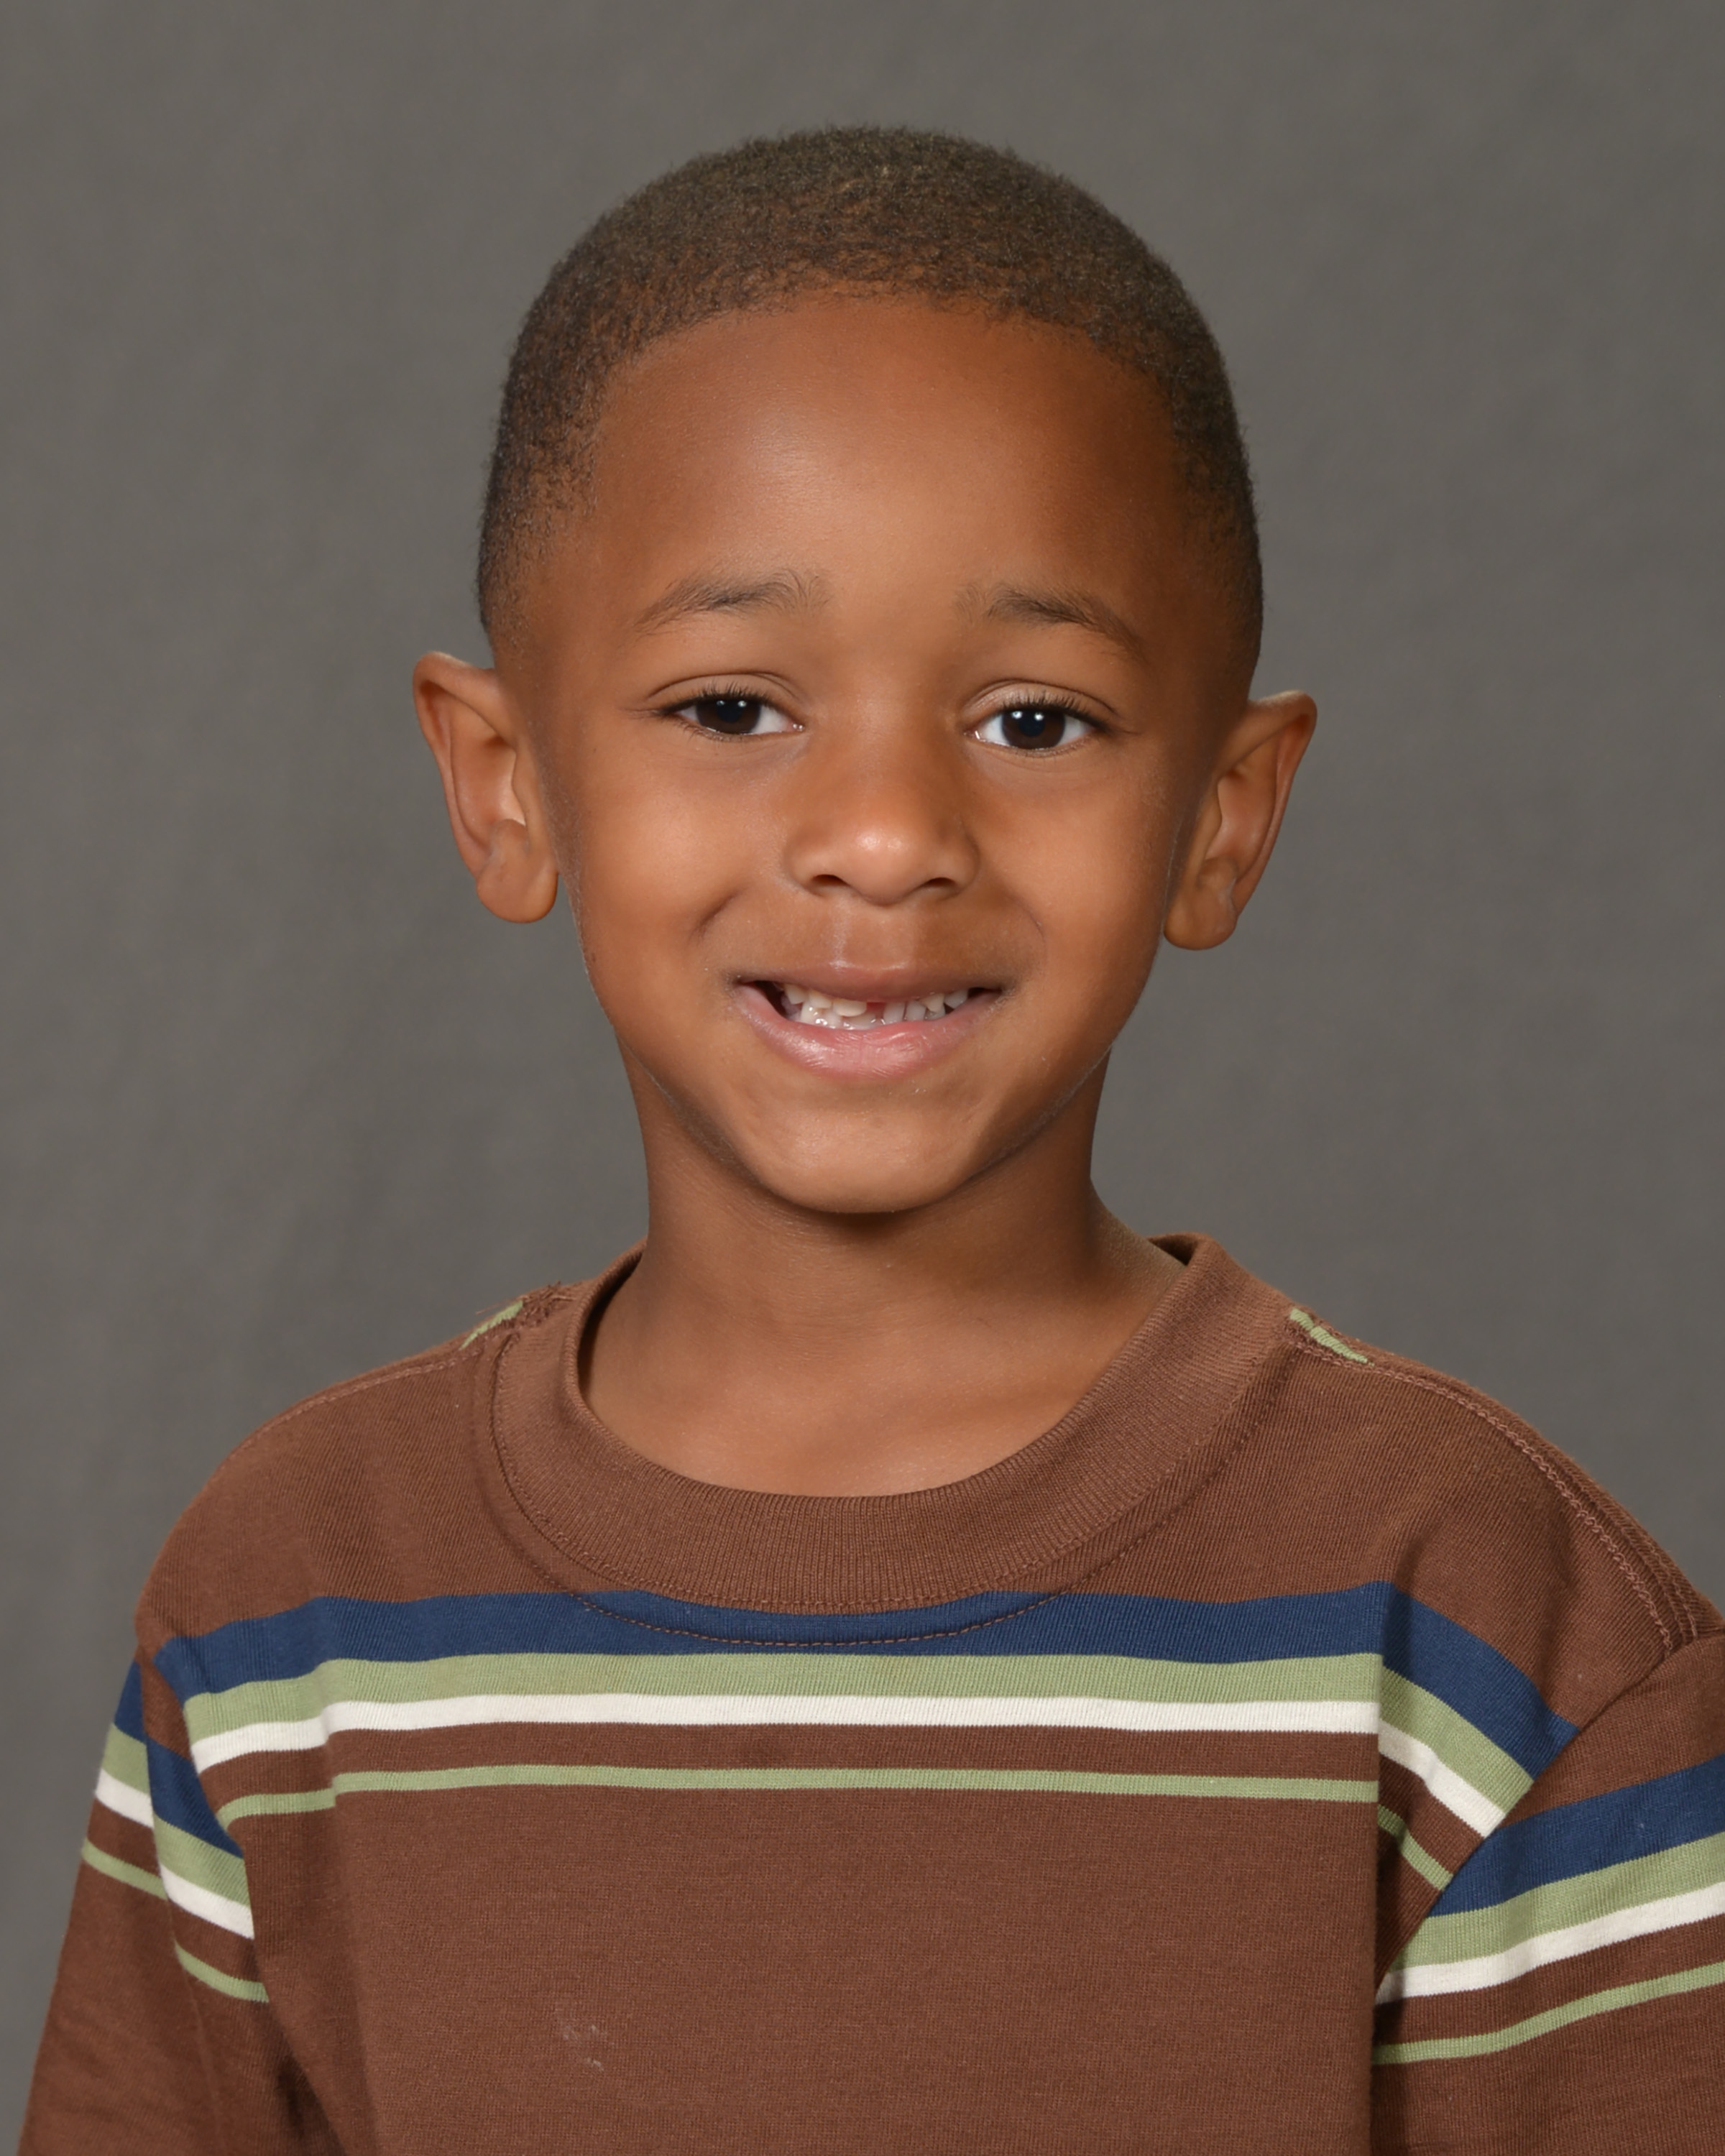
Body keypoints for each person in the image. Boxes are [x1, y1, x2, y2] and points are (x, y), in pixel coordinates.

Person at [23, 127, 1724, 2155]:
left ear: (1226, 815)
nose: (888, 837)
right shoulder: (292, 1611)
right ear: (502, 781)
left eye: (1035, 722)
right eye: (732, 708)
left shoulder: (1483, 1624)